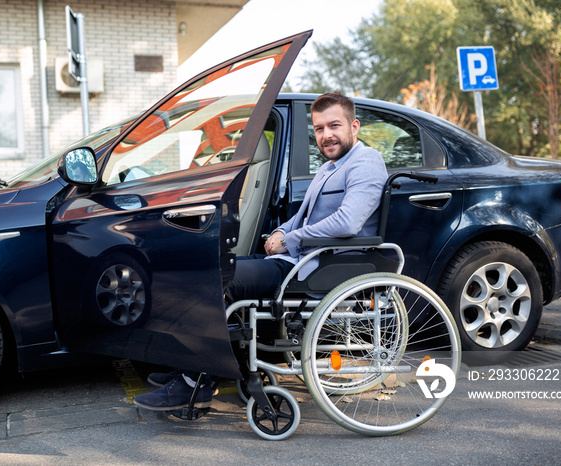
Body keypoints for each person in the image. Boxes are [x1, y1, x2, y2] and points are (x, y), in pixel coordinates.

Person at [133, 91, 389, 411]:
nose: (326, 135)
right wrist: (283, 230)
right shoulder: (329, 167)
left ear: (355, 126)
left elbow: (348, 222)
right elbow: (305, 215)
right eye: (319, 128)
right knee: (206, 268)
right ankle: (196, 367)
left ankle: (193, 383)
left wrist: (291, 239)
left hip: (317, 267)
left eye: (334, 126)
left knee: (214, 281)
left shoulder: (367, 161)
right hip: (296, 259)